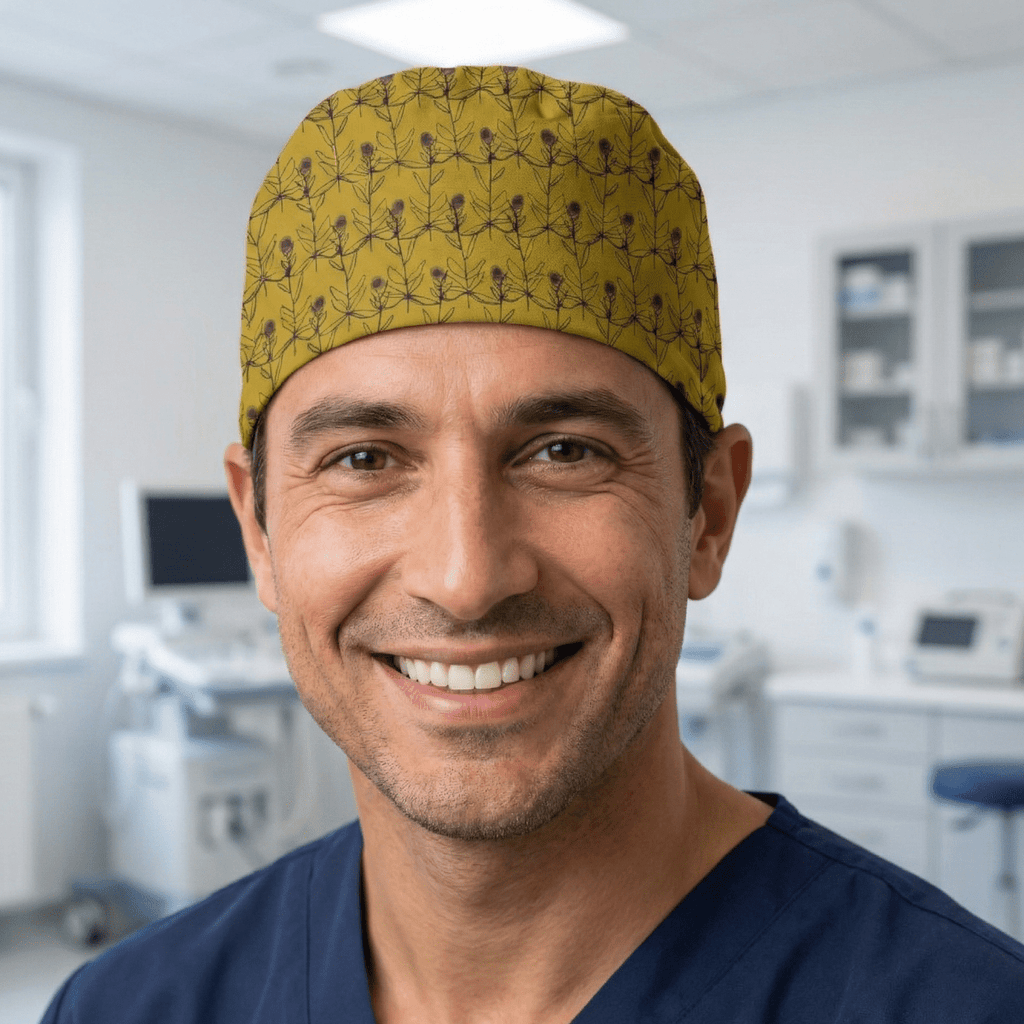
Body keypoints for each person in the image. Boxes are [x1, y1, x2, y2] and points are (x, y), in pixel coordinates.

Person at [43, 65, 1024, 1023]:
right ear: (258, 527)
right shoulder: (131, 1003)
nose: (465, 578)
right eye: (364, 459)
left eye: (563, 451)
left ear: (707, 514)